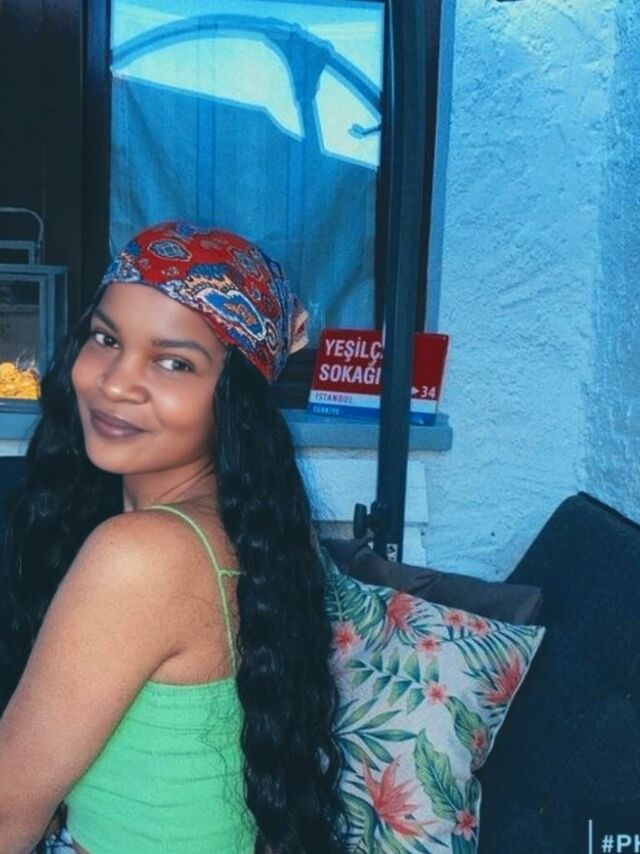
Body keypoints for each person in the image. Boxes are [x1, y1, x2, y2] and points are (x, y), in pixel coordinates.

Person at [0, 223, 346, 854]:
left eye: (173, 362)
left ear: (233, 400)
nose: (115, 382)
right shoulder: (239, 531)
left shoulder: (141, 554)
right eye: (106, 338)